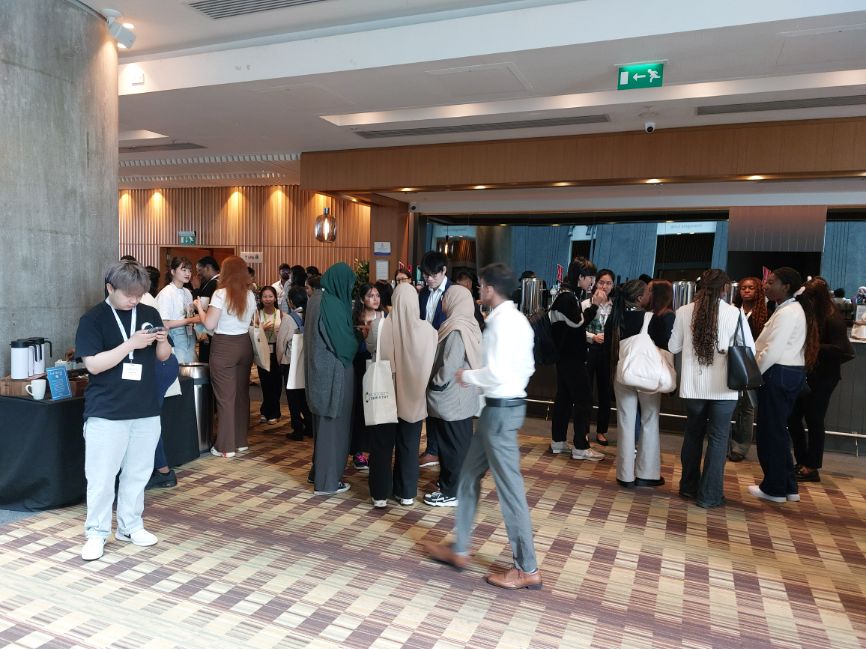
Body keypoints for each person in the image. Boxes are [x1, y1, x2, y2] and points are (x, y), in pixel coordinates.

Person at [423, 263, 542, 590]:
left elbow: (496, 374)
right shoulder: (519, 321)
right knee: (467, 477)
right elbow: (527, 367)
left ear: (490, 289)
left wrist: (468, 376)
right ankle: (460, 549)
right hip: (503, 410)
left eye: (481, 287)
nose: (478, 292)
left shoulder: (500, 325)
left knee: (510, 490)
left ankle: (526, 567)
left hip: (499, 412)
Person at [75, 259, 172, 561]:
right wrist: (131, 344)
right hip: (106, 410)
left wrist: (162, 339)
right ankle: (96, 532)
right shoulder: (94, 319)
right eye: (128, 294)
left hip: (145, 408)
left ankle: (130, 525)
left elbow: (164, 357)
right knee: (102, 477)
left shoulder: (149, 312)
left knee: (138, 473)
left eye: (139, 294)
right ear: (110, 288)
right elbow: (93, 364)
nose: (134, 300)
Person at [669, 269, 753, 508]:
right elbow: (749, 349)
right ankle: (710, 495)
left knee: (693, 436)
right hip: (724, 389)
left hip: (693, 387)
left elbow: (673, 346)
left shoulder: (684, 312)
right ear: (725, 289)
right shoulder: (734, 313)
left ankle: (688, 487)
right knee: (718, 440)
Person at [371, 283, 437, 507]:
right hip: (415, 397)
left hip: (384, 395)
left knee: (381, 445)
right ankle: (406, 492)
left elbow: (372, 351)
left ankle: (380, 495)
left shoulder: (380, 326)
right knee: (409, 445)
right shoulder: (428, 330)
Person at [749, 267, 812, 503]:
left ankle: (774, 488)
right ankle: (787, 486)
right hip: (787, 373)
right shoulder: (789, 309)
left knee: (770, 432)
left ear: (786, 287)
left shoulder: (788, 312)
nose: (766, 286)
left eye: (772, 282)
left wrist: (752, 375)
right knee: (778, 431)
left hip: (779, 373)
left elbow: (772, 350)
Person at [608, 279, 673, 488]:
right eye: (647, 292)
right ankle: (647, 473)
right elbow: (665, 346)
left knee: (626, 422)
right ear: (639, 298)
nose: (649, 295)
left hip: (622, 373)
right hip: (647, 375)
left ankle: (625, 475)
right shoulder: (651, 318)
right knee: (650, 419)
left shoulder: (615, 317)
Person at [788, 277, 855, 482]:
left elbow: (844, 350)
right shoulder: (816, 313)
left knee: (814, 420)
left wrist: (812, 346)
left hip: (824, 376)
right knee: (793, 418)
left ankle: (811, 466)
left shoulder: (832, 317)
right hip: (810, 374)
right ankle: (802, 461)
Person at [424, 285, 482, 507]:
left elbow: (449, 364)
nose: (442, 302)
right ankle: (456, 486)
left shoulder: (456, 328)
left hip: (451, 397)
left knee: (451, 447)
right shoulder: (470, 323)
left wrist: (434, 384)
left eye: (446, 298)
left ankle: (451, 492)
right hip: (463, 396)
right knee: (460, 443)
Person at [193, 256, 256, 457]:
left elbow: (210, 325)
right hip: (244, 345)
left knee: (225, 398)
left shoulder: (220, 294)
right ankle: (240, 441)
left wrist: (200, 309)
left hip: (224, 347)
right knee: (241, 395)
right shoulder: (250, 295)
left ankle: (225, 446)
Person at [304, 262, 357, 495]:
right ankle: (327, 482)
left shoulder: (316, 298)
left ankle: (318, 472)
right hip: (334, 373)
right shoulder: (332, 304)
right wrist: (359, 338)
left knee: (322, 426)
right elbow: (344, 345)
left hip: (318, 372)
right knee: (334, 427)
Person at [548, 257, 604, 460]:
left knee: (564, 398)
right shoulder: (567, 298)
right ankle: (580, 446)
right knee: (583, 400)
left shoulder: (565, 295)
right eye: (590, 278)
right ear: (580, 277)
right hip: (571, 357)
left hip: (564, 357)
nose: (593, 282)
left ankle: (558, 441)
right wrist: (595, 306)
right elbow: (578, 323)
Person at [728, 276, 768, 462]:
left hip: (752, 363)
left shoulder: (766, 312)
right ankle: (725, 443)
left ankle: (740, 447)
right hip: (731, 361)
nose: (746, 290)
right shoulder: (732, 310)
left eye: (751, 288)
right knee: (728, 404)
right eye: (743, 287)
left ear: (757, 290)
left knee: (747, 407)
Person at [418, 251, 452, 469]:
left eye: (432, 275)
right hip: (425, 354)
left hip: (446, 354)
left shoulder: (454, 292)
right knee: (429, 402)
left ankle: (443, 450)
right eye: (426, 275)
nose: (428, 278)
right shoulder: (423, 294)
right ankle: (432, 449)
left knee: (444, 405)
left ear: (443, 271)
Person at [350, 284, 386, 470]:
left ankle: (374, 450)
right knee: (360, 408)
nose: (375, 299)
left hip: (378, 365)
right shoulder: (356, 318)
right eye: (370, 295)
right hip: (359, 364)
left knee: (377, 407)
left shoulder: (385, 317)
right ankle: (358, 451)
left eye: (377, 295)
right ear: (363, 299)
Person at [583, 269, 615, 445]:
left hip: (607, 352)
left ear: (613, 286)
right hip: (590, 348)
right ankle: (584, 430)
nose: (604, 286)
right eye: (602, 282)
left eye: (608, 283)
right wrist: (592, 337)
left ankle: (602, 431)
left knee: (604, 393)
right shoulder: (586, 304)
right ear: (596, 283)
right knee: (586, 392)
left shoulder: (615, 306)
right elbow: (578, 327)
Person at [277, 285, 312, 441]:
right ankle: (310, 426)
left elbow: (281, 344)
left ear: (290, 302)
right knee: (304, 396)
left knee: (292, 397)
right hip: (306, 362)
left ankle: (297, 428)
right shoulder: (310, 315)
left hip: (290, 363)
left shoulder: (289, 318)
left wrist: (279, 360)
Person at [156, 256, 199, 364]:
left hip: (189, 335)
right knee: (178, 370)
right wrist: (190, 320)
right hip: (174, 337)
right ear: (173, 272)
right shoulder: (166, 293)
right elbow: (164, 324)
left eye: (189, 270)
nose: (187, 273)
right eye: (183, 270)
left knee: (189, 370)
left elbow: (189, 315)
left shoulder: (187, 292)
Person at [254, 286, 283, 424]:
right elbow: (252, 332)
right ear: (261, 299)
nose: (267, 299)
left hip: (277, 350)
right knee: (265, 382)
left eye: (270, 296)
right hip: (262, 350)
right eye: (265, 296)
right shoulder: (257, 314)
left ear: (275, 298)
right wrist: (261, 329)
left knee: (276, 382)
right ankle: (265, 410)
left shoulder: (281, 314)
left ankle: (275, 412)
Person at [195, 256, 220, 362]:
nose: (198, 275)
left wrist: (196, 288)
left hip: (208, 330)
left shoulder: (213, 284)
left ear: (208, 268)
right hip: (214, 330)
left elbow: (203, 308)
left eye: (200, 271)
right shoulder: (216, 282)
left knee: (206, 360)